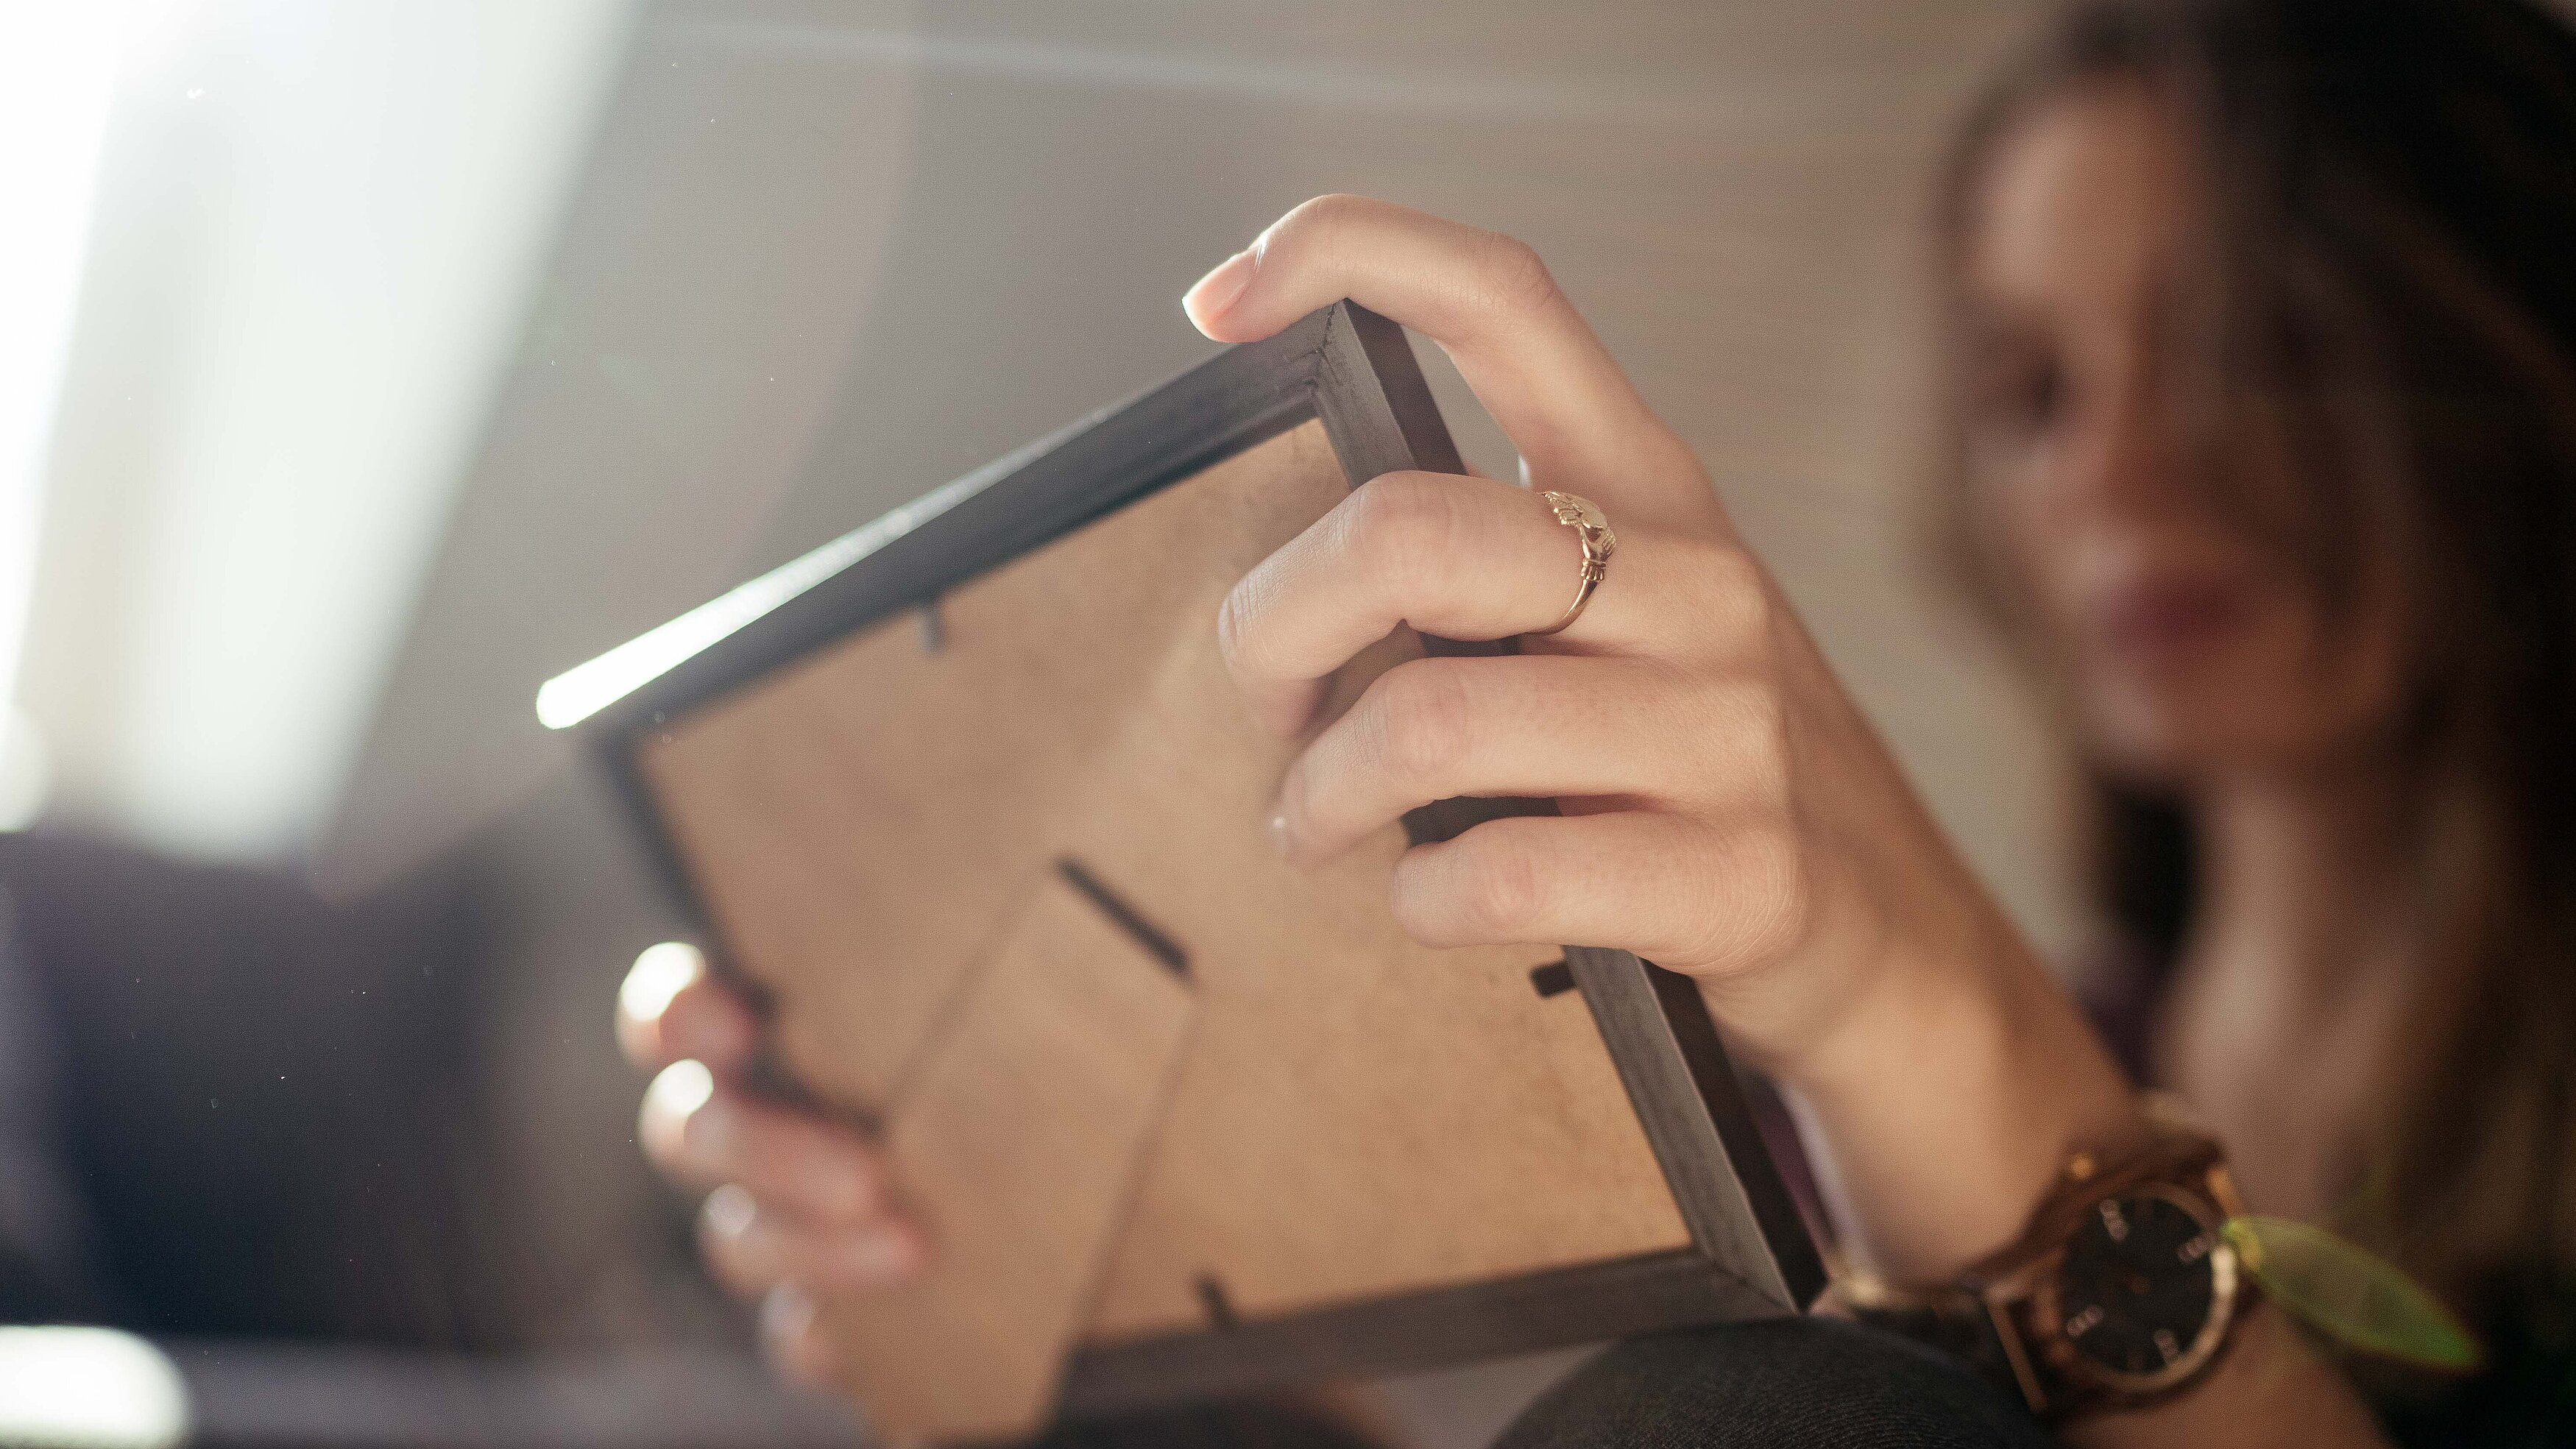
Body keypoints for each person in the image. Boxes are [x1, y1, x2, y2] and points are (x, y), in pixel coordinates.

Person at [615, 0, 2576, 1442]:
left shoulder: (2001, 1083)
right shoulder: (2054, 1057)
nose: (2115, 475)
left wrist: (1925, 1003)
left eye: (2250, 349)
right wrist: (1032, 1262)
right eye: (2033, 392)